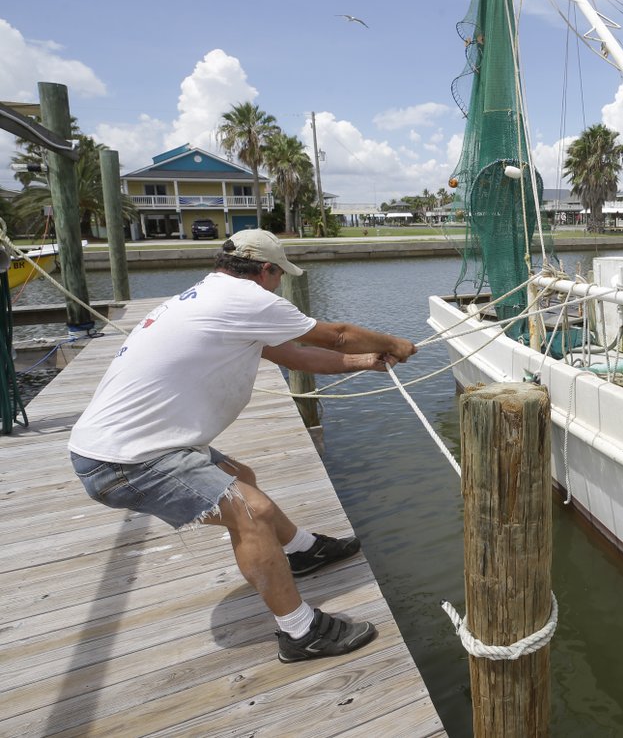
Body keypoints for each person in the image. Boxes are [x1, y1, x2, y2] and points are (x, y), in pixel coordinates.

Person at [69, 229, 417, 662]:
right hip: (125, 460)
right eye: (278, 275)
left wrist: (367, 363)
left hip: (135, 445)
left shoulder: (206, 297)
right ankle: (300, 632)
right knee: (253, 511)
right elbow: (339, 335)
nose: (279, 284)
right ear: (266, 270)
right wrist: (393, 343)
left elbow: (297, 357)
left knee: (240, 478)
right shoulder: (247, 300)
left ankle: (302, 551)